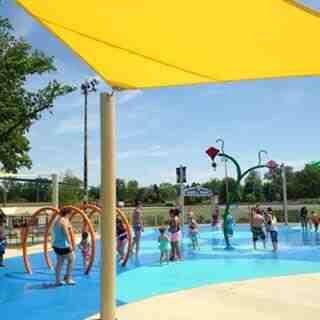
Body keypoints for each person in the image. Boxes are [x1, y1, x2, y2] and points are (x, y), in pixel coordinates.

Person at [52, 207, 76, 286]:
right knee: (72, 259)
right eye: (70, 213)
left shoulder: (56, 221)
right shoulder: (64, 221)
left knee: (60, 262)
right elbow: (66, 234)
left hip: (56, 245)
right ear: (68, 213)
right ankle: (68, 279)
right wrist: (71, 244)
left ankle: (57, 280)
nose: (71, 215)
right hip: (64, 246)